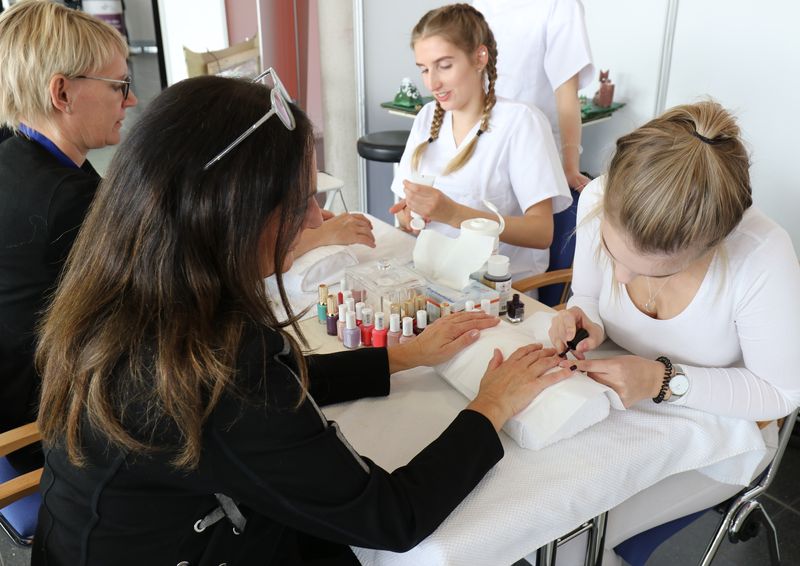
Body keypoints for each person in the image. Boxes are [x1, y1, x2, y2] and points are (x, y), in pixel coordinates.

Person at [32, 74, 572, 565]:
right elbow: (391, 517)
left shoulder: (127, 286)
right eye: (299, 202)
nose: (316, 218)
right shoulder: (212, 365)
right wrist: (491, 405)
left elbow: (277, 380)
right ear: (231, 217)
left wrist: (401, 356)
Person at [548, 101, 800, 565]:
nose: (621, 279)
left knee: (575, 538)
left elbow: (781, 393)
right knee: (543, 512)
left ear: (711, 247)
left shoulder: (760, 256)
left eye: (653, 273)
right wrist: (585, 319)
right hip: (622, 413)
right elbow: (587, 294)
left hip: (722, 434)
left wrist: (663, 381)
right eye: (612, 252)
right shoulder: (599, 195)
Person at [0, 0, 136, 471]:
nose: (131, 101)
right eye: (119, 86)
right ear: (62, 92)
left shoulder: (15, 156)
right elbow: (145, 306)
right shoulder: (66, 198)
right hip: (51, 429)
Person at [389, 3, 572, 279]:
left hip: (498, 289)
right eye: (424, 70)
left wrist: (453, 214)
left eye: (444, 66)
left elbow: (541, 233)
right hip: (431, 279)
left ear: (479, 58)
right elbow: (405, 208)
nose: (432, 83)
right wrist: (409, 217)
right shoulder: (427, 117)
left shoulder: (521, 123)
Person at [473, 0, 595, 191]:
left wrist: (570, 168)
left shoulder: (561, 5)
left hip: (538, 151)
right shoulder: (481, 4)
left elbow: (566, 93)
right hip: (486, 145)